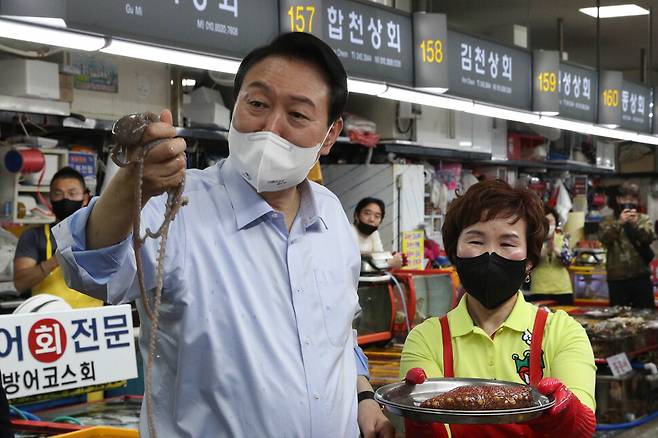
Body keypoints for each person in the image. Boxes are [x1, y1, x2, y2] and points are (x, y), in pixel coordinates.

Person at [53, 33, 394, 437]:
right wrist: (131, 188)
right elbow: (90, 269)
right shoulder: (175, 204)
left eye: (298, 115)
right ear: (235, 106)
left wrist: (363, 396)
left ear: (330, 135)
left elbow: (339, 335)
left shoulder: (332, 218)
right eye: (257, 104)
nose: (271, 128)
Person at [399, 180, 596, 437]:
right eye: (476, 241)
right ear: (454, 254)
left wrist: (565, 411)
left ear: (529, 262)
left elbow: (580, 431)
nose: (490, 254)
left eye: (507, 243)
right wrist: (419, 421)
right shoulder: (426, 338)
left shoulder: (562, 332)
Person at [13, 167, 102, 308]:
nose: (65, 198)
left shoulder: (99, 234)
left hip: (91, 322)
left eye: (72, 193)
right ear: (50, 199)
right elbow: (20, 283)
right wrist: (57, 259)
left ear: (85, 198)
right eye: (58, 193)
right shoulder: (33, 236)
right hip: (50, 322)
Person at [599, 182, 656, 309]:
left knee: (646, 315)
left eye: (632, 199)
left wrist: (636, 226)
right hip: (617, 277)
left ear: (637, 201)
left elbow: (650, 238)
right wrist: (620, 222)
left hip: (641, 276)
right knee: (618, 316)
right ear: (619, 200)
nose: (629, 202)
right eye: (625, 198)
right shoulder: (607, 220)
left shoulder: (643, 219)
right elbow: (604, 238)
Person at [529, 206, 574, 305]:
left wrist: (556, 250)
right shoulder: (533, 240)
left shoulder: (564, 238)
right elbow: (529, 262)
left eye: (551, 221)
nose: (549, 225)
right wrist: (545, 251)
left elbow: (569, 261)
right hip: (540, 288)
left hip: (563, 289)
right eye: (545, 221)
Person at [353, 197, 403, 269]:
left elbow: (379, 257)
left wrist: (389, 257)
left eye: (377, 216)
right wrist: (389, 263)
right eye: (367, 213)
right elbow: (357, 266)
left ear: (380, 221)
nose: (372, 219)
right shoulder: (348, 233)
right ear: (356, 215)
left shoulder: (374, 234)